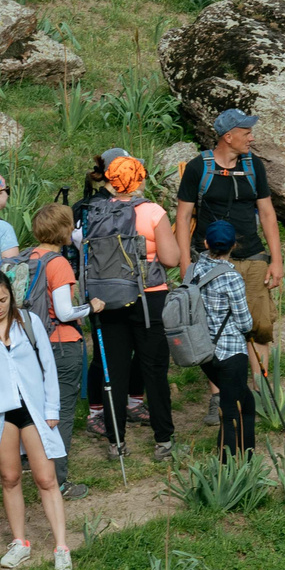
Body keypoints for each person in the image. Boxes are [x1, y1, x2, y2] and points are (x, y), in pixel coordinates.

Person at [173, 109, 282, 425]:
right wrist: (185, 263)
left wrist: (276, 260)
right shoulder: (198, 168)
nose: (252, 137)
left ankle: (260, 396)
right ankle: (219, 398)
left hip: (253, 258)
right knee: (215, 329)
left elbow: (267, 214)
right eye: (247, 132)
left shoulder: (253, 166)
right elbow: (182, 218)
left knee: (259, 326)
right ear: (228, 136)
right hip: (211, 261)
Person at [0, 267, 74, 570]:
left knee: (46, 478)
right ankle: (20, 542)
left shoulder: (29, 322)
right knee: (9, 479)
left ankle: (61, 546)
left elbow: (48, 366)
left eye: (2, 299)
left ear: (11, 295)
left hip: (34, 410)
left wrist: (52, 408)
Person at [77, 156, 177, 462]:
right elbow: (171, 259)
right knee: (154, 370)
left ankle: (115, 443)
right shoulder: (152, 212)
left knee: (113, 372)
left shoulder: (92, 211)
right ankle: (163, 440)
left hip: (105, 300)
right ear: (138, 180)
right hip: (149, 299)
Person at [21, 203, 93, 491]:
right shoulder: (57, 263)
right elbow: (64, 312)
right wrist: (90, 307)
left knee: (35, 409)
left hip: (30, 346)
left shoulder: (27, 258)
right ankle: (58, 481)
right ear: (63, 230)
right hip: (60, 346)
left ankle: (31, 461)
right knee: (60, 412)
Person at [184, 219, 256, 455]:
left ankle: (246, 456)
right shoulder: (231, 277)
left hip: (203, 351)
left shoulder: (192, 270)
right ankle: (229, 464)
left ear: (206, 243)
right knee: (232, 409)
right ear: (233, 245)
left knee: (245, 401)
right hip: (230, 352)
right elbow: (244, 322)